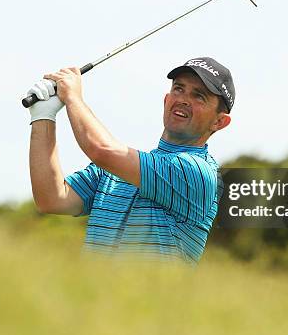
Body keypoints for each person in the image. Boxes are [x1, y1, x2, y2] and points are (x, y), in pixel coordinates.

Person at [27, 57, 235, 265]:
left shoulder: (198, 172)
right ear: (166, 100)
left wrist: (73, 97)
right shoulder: (113, 171)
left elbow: (101, 150)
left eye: (199, 96)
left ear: (219, 121)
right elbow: (51, 199)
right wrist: (43, 116)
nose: (183, 99)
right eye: (178, 89)